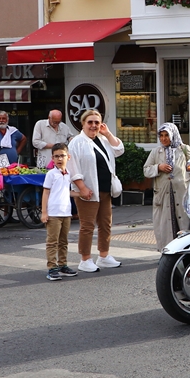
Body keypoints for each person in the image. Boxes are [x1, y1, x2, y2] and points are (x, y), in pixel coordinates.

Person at [67, 108, 124, 273]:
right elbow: (72, 167)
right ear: (83, 123)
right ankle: (85, 259)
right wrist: (82, 187)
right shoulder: (76, 142)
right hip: (88, 190)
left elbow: (119, 150)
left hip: (105, 190)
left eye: (97, 122)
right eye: (90, 122)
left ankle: (104, 256)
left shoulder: (103, 140)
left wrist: (107, 133)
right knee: (87, 225)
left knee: (106, 224)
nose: (93, 125)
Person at [144, 122, 190, 249]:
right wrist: (158, 167)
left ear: (173, 135)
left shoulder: (183, 149)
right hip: (163, 195)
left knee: (182, 223)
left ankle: (184, 251)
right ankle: (167, 251)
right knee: (165, 226)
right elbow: (146, 170)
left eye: (167, 135)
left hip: (181, 192)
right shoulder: (156, 152)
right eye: (161, 135)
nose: (163, 138)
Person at [40, 144, 78, 281]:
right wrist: (44, 212)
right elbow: (46, 192)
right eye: (56, 156)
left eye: (62, 155)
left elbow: (66, 191)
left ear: (68, 157)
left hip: (66, 212)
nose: (59, 159)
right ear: (52, 158)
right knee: (52, 241)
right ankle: (52, 267)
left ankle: (63, 265)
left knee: (63, 241)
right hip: (54, 213)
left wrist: (80, 194)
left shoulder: (68, 174)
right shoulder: (51, 174)